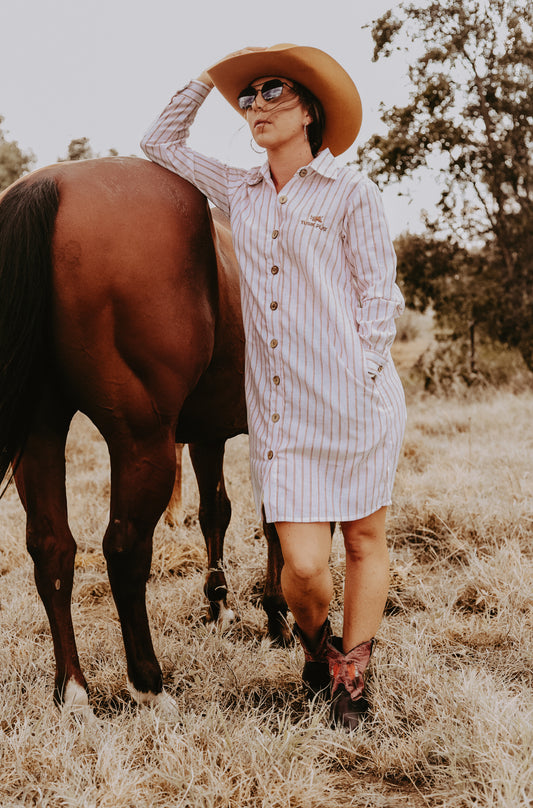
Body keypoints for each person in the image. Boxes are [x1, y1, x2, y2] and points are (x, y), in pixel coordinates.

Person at [141, 44, 406, 731]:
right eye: (247, 97)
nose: (254, 106)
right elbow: (158, 141)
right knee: (303, 569)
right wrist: (209, 76)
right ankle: (315, 647)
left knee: (362, 542)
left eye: (271, 93)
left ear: (309, 111)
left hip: (356, 404)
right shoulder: (239, 189)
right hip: (283, 414)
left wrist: (364, 377)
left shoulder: (353, 194)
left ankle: (350, 678)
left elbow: (380, 302)